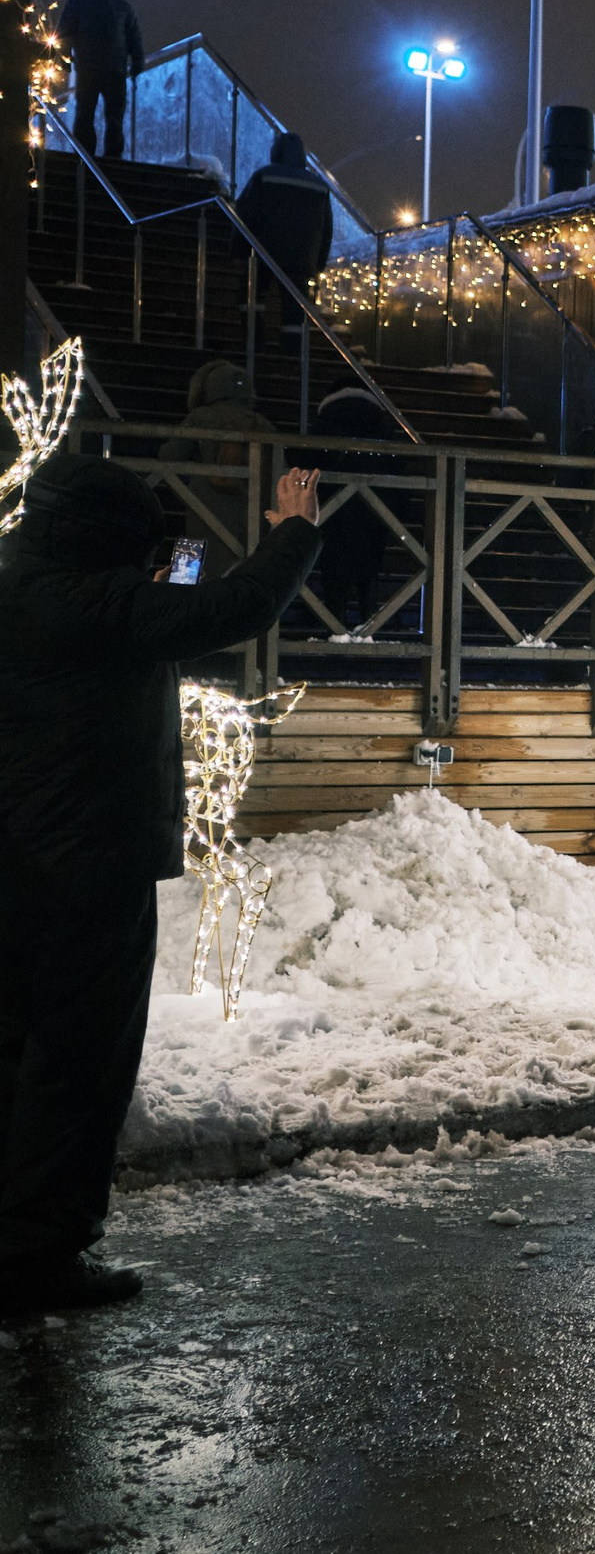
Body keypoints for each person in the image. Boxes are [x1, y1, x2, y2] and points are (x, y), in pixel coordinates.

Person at [0, 456, 321, 1315]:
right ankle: (38, 1256)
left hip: (17, 865)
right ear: (106, 537)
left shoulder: (23, 585)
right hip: (90, 868)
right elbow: (236, 607)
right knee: (79, 1064)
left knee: (14, 1051)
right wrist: (292, 530)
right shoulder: (99, 607)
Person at [292, 379, 407, 633]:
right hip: (376, 514)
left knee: (333, 569)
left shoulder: (322, 428)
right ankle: (370, 626)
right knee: (370, 569)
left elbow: (303, 463)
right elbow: (400, 473)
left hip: (332, 512)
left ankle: (333, 626)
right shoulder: (383, 429)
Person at [158, 360, 279, 549]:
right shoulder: (260, 423)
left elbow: (170, 455)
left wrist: (187, 485)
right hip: (250, 505)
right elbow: (279, 467)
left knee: (203, 560)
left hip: (204, 503)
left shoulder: (201, 417)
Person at [58, 0, 143, 160]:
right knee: (84, 113)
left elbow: (134, 35)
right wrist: (63, 58)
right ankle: (84, 155)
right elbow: (66, 31)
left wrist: (138, 61)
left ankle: (113, 155)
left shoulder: (123, 6)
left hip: (116, 70)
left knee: (115, 117)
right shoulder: (79, 2)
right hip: (88, 69)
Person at [234, 132, 335, 294]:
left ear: (276, 151)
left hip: (264, 251)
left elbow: (245, 213)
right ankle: (293, 319)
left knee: (251, 295)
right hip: (302, 258)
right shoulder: (319, 187)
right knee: (295, 305)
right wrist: (318, 264)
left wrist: (239, 250)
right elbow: (327, 229)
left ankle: (254, 319)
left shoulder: (263, 177)